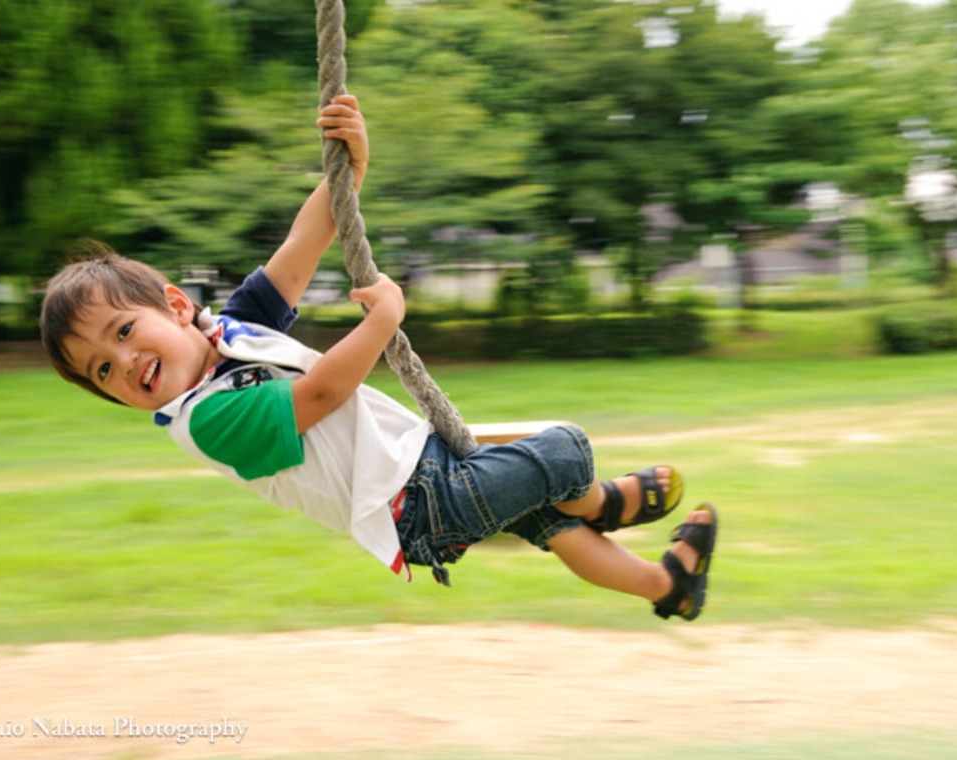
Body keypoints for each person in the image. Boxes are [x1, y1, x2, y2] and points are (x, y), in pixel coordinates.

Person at [40, 95, 719, 621]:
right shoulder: (206, 418)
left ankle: (670, 587)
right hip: (420, 508)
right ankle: (604, 501)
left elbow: (306, 242)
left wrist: (349, 169)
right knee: (564, 449)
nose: (123, 363)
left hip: (423, 469)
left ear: (176, 304)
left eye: (124, 332)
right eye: (102, 370)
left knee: (549, 522)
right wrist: (383, 322)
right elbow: (321, 396)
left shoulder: (234, 330)